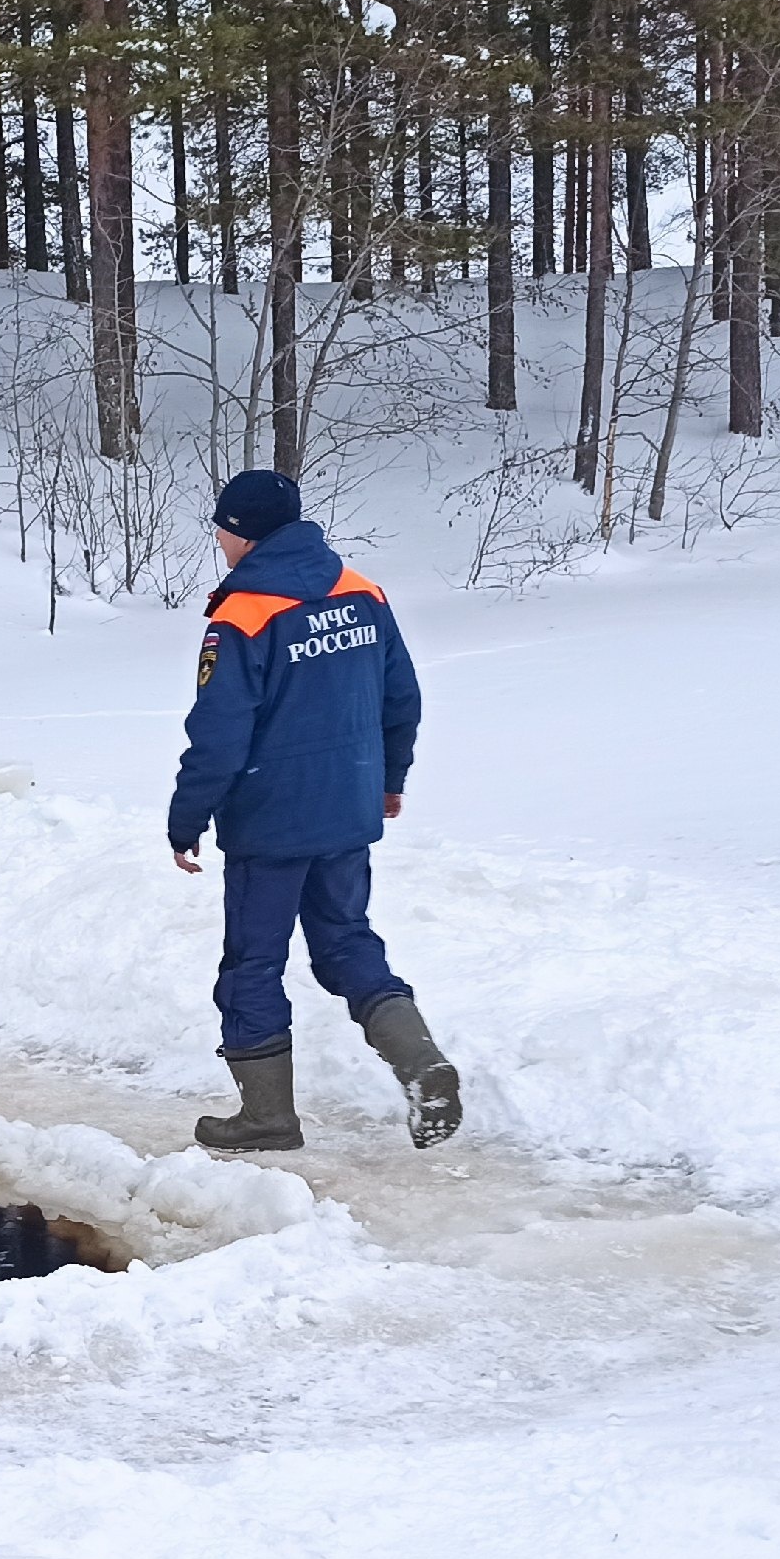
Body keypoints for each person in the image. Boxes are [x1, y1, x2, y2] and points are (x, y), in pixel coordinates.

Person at [166, 470, 460, 1155]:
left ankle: (267, 1116)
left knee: (253, 964)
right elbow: (401, 698)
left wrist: (187, 820)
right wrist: (389, 781)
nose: (218, 538)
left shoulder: (243, 616)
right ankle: (421, 1065)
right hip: (347, 809)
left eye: (223, 528)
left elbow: (219, 734)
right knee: (347, 940)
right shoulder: (360, 591)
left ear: (245, 533)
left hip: (272, 821)